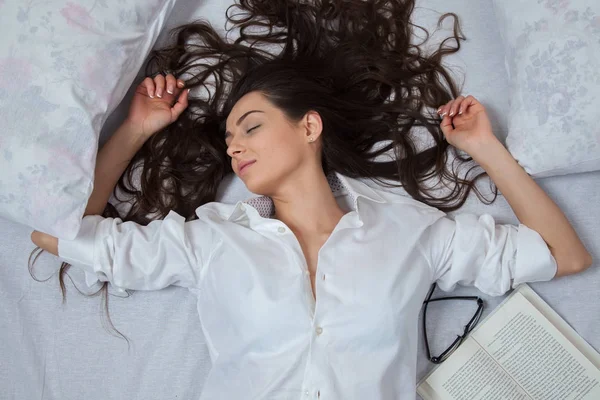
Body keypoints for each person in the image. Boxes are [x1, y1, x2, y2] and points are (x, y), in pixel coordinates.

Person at [30, 1, 592, 398]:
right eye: (228, 139)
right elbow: (56, 233)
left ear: (309, 127)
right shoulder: (211, 241)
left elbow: (563, 254)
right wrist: (136, 129)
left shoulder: (412, 233)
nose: (234, 147)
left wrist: (483, 146)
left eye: (250, 127)